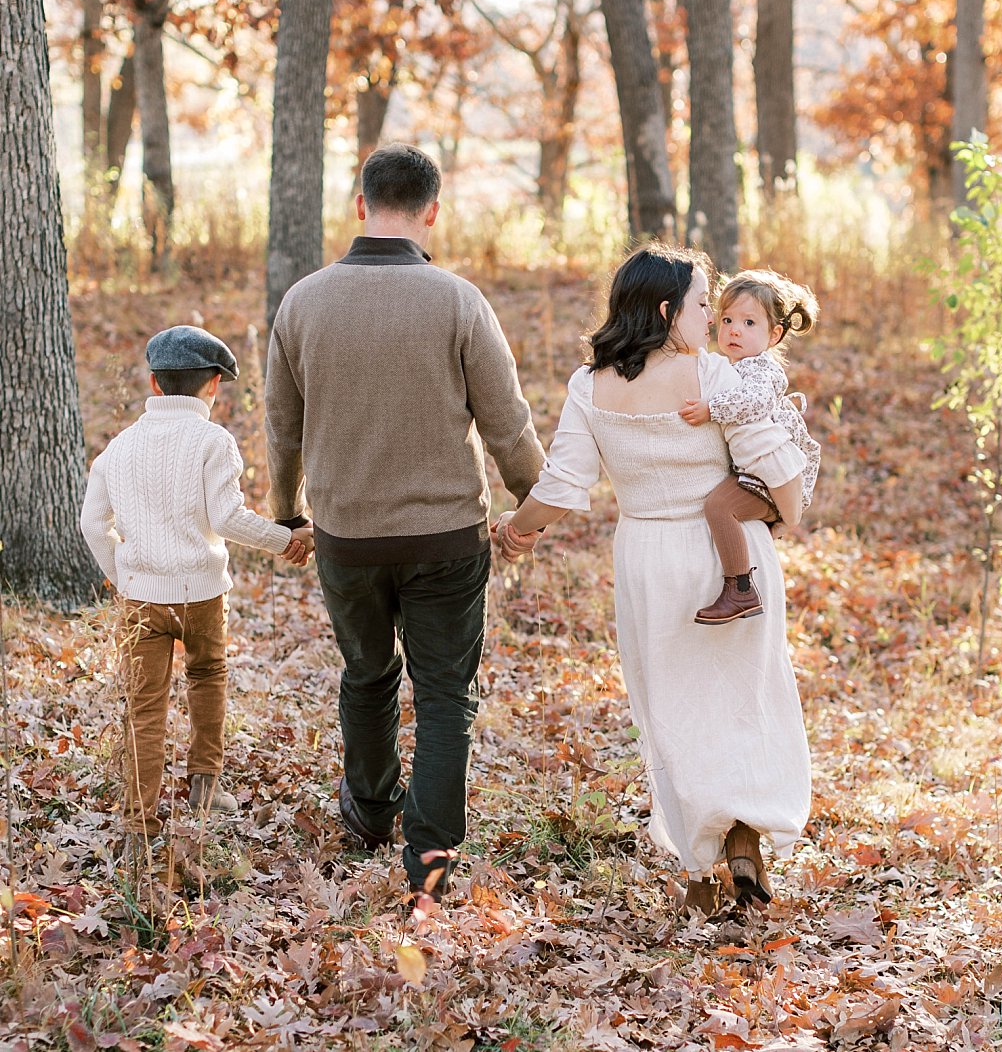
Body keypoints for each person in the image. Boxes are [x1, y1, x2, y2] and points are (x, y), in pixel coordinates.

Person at [265, 143, 545, 906]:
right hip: (446, 539)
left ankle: (369, 811)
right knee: (447, 692)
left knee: (366, 672)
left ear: (360, 205)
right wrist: (533, 501)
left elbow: (281, 427)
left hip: (347, 536)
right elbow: (507, 424)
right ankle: (430, 855)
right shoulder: (458, 301)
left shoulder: (302, 302)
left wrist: (288, 510)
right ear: (432, 213)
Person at [495, 244, 811, 915]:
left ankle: (699, 871)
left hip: (648, 558)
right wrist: (782, 514)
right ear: (668, 310)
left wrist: (516, 528)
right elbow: (780, 474)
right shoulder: (715, 376)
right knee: (746, 698)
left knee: (671, 711)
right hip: (734, 554)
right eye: (702, 304)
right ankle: (746, 842)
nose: (712, 318)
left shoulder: (590, 384)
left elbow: (563, 484)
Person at [80, 325, 313, 842]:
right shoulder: (214, 441)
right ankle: (205, 784)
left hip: (141, 598)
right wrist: (285, 539)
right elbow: (227, 518)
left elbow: (92, 524)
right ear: (213, 384)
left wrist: (125, 577)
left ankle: (139, 823)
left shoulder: (118, 449)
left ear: (154, 384)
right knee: (207, 675)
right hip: (203, 593)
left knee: (145, 705)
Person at [679, 268, 821, 625]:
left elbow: (754, 403)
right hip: (760, 471)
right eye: (727, 320)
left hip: (773, 474)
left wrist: (713, 409)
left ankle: (741, 589)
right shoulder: (730, 366)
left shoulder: (764, 370)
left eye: (749, 323)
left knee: (719, 507)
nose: (734, 330)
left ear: (774, 335)